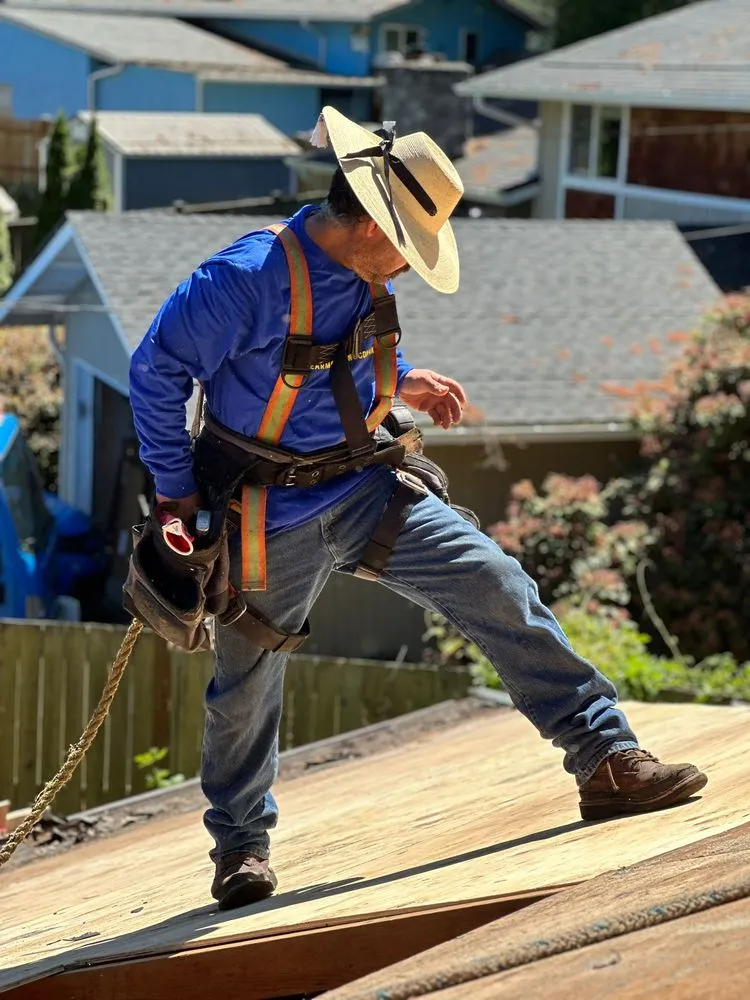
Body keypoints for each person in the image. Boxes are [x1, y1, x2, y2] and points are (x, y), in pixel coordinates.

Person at [129, 107, 707, 911]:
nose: (409, 263)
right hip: (265, 516)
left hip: (365, 487)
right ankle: (240, 846)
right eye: (408, 244)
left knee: (495, 582)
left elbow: (317, 360)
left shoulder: (366, 273)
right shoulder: (244, 279)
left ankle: (606, 759)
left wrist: (401, 382)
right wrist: (176, 493)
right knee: (247, 682)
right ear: (372, 224)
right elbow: (154, 372)